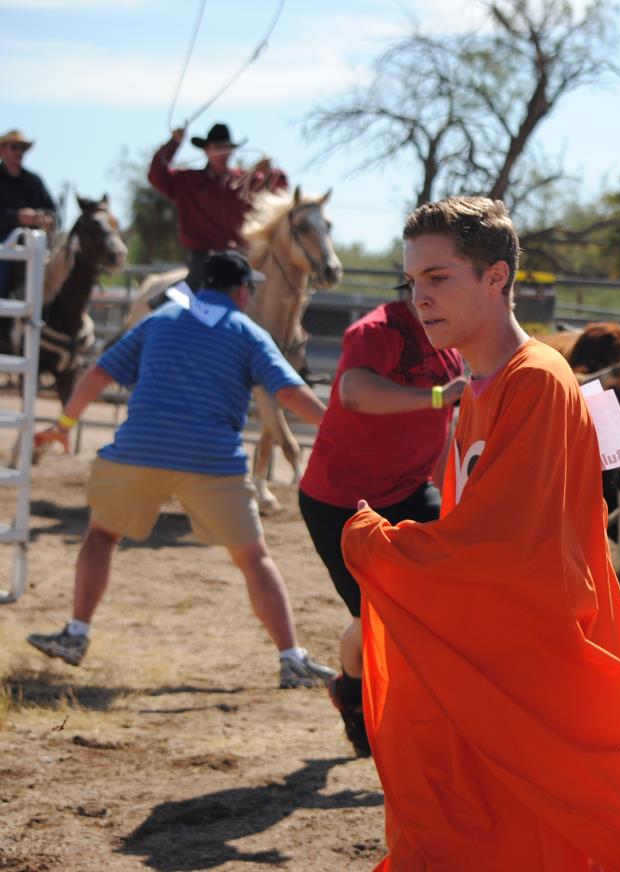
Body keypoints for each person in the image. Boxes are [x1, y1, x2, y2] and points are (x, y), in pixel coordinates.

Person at [340, 196, 620, 870]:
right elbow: (472, 528)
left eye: (438, 278)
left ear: (496, 278)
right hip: (498, 653)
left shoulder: (536, 382)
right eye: (411, 282)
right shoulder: (477, 386)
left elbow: (503, 541)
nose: (418, 300)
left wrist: (376, 549)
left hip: (534, 666)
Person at [26, 251, 337, 689]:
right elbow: (289, 392)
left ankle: (76, 634)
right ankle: (291, 658)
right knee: (254, 559)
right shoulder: (249, 332)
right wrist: (338, 427)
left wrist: (64, 425)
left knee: (100, 536)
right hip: (213, 461)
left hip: (140, 450)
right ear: (242, 290)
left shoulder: (162, 319)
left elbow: (97, 375)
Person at [297, 285, 466, 757]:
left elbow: (440, 429)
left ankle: (430, 714)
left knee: (448, 589)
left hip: (410, 491)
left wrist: (450, 497)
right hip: (341, 502)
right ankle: (351, 690)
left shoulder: (448, 337)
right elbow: (353, 392)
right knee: (375, 616)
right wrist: (438, 396)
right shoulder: (377, 329)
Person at [148, 122, 286, 293]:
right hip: (203, 258)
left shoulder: (244, 180)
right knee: (192, 288)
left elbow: (280, 187)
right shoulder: (187, 181)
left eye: (228, 148)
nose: (224, 153)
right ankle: (168, 315)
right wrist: (173, 143)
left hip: (239, 256)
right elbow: (157, 175)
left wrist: (270, 171)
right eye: (219, 147)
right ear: (206, 150)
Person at [0, 130, 58, 344]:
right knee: (3, 270)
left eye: (22, 148)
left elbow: (53, 211)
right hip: (5, 246)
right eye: (14, 147)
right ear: (2, 150)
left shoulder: (33, 181)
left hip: (35, 245)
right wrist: (17, 217)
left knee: (59, 273)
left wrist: (44, 218)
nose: (19, 153)